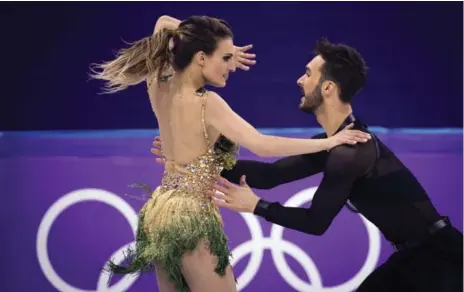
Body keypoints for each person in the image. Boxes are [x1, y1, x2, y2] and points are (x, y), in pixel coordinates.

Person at [152, 38, 463, 292]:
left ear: (327, 88)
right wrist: (192, 159)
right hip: (419, 257)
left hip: (440, 260)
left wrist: (257, 206)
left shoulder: (351, 150)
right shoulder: (335, 142)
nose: (300, 80)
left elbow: (316, 222)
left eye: (308, 74)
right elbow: (270, 174)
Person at [90, 15, 371, 292]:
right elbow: (262, 145)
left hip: (160, 212)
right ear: (201, 58)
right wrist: (329, 142)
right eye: (225, 58)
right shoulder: (208, 103)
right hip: (191, 216)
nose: (231, 66)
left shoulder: (158, 83)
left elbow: (163, 22)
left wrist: (213, 45)